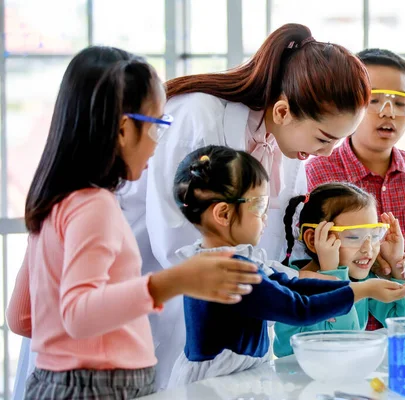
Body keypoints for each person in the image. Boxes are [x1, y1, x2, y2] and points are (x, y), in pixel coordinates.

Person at [115, 23, 371, 389]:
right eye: (324, 138)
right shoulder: (198, 115)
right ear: (282, 111)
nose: (327, 152)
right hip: (150, 299)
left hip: (230, 327)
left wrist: (300, 276)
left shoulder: (288, 145)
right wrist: (278, 290)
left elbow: (276, 238)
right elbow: (179, 247)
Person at [6, 46, 261, 400]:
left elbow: (22, 317)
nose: (158, 146)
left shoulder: (53, 200)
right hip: (101, 388)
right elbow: (79, 313)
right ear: (125, 129)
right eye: (157, 127)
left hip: (58, 382)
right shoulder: (94, 206)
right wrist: (174, 281)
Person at [167, 145, 405, 386]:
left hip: (235, 378)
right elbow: (297, 308)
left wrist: (335, 281)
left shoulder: (229, 260)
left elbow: (288, 284)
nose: (265, 217)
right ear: (223, 214)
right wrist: (361, 290)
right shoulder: (225, 271)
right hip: (215, 384)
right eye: (259, 206)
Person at [305, 48, 405, 330]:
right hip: (333, 330)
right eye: (374, 99)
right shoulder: (317, 169)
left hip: (403, 325)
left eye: (400, 102)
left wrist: (399, 268)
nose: (388, 112)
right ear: (350, 106)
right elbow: (301, 259)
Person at [273, 183, 405, 357]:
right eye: (353, 237)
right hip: (294, 380)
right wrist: (332, 274)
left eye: (374, 236)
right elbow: (344, 346)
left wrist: (397, 268)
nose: (368, 249)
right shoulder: (291, 287)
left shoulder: (360, 279)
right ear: (313, 239)